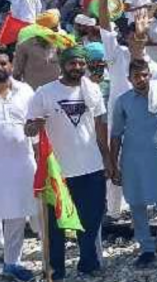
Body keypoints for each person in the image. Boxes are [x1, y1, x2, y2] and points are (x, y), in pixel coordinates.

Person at [25, 46, 112, 280]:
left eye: (81, 63)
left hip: (91, 167)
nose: (77, 68)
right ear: (62, 65)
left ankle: (88, 263)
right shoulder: (44, 93)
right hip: (58, 172)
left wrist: (108, 159)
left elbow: (100, 125)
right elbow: (28, 127)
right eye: (72, 63)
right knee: (56, 227)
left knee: (91, 220)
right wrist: (35, 127)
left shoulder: (92, 90)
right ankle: (56, 270)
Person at [109, 59, 157, 268]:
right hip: (132, 160)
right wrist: (114, 165)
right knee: (137, 203)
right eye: (136, 76)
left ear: (150, 75)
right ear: (129, 79)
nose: (141, 80)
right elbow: (115, 135)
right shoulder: (123, 101)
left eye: (144, 75)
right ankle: (146, 248)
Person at [0, 52, 36, 282]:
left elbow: (35, 124)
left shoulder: (25, 91)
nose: (0, 68)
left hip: (23, 164)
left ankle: (15, 263)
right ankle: (10, 263)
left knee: (26, 214)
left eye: (2, 63)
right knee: (9, 215)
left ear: (11, 64)